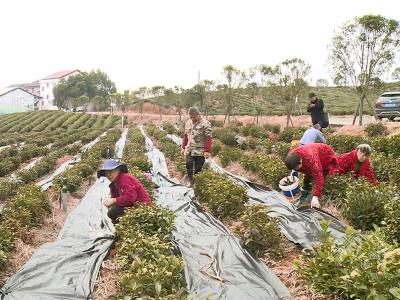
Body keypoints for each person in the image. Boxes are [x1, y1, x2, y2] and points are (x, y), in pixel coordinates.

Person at [284, 143, 338, 208]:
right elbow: (297, 167)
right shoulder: (292, 155)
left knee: (323, 176)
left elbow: (318, 177)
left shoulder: (311, 159)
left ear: (301, 161)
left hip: (325, 154)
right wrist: (293, 171)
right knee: (307, 178)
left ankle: (322, 198)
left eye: (296, 168)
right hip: (312, 152)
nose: (296, 169)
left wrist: (316, 196)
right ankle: (306, 190)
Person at [181, 107, 212, 187]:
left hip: (200, 150)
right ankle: (190, 179)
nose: (192, 119)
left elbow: (208, 137)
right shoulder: (188, 123)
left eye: (193, 117)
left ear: (198, 115)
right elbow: (185, 136)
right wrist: (183, 146)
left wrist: (207, 151)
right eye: (190, 117)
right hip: (190, 149)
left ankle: (195, 182)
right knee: (188, 163)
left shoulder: (206, 124)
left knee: (198, 169)